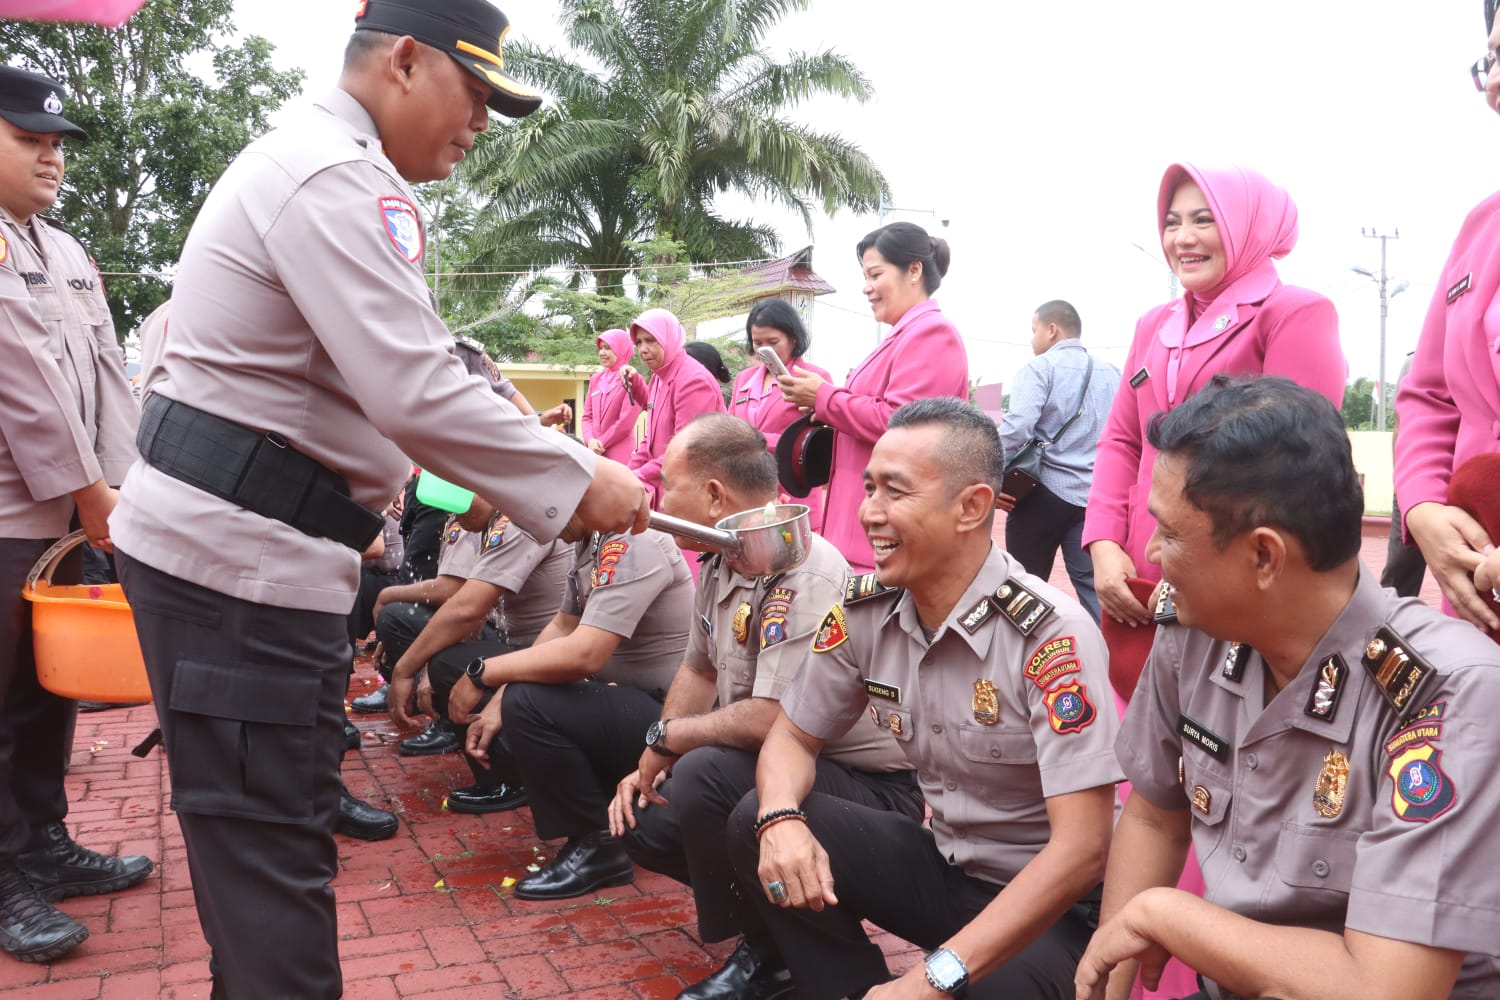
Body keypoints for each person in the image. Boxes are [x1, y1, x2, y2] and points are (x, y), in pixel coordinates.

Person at [109, 4, 651, 996]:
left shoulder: (321, 164)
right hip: (241, 567)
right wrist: (577, 477)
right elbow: (416, 390)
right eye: (475, 92)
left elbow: (408, 371)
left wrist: (531, 463)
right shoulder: (338, 177)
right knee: (273, 879)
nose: (481, 123)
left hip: (248, 549)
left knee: (263, 861)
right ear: (405, 60)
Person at [1075, 374, 1500, 1000]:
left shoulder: (1448, 693)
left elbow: (1386, 990)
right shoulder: (1196, 630)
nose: (1152, 552)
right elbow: (1155, 815)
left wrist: (1164, 915)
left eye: (1171, 533)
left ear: (1264, 557)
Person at [727, 398, 1121, 999]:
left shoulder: (1050, 636)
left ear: (972, 507)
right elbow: (791, 736)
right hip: (950, 871)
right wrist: (780, 819)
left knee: (982, 990)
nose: (869, 513)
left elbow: (1083, 851)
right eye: (869, 488)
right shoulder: (866, 610)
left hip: (1052, 907)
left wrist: (930, 979)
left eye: (895, 492)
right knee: (755, 815)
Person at [607, 413, 923, 1000]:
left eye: (666, 485)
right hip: (780, 766)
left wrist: (668, 740)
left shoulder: (807, 570)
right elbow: (698, 669)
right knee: (647, 818)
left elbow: (776, 719)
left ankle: (777, 949)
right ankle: (780, 930)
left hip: (867, 784)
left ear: (713, 495)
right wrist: (656, 751)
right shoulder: (722, 560)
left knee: (707, 778)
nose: (658, 498)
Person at [0, 62, 152, 964]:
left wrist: (121, 491)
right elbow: (21, 379)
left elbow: (106, 377)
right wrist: (94, 493)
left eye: (57, 143)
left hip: (69, 509)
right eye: (29, 139)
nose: (51, 157)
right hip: (8, 513)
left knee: (44, 693)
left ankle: (42, 844)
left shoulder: (64, 250)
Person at [1084, 162, 1345, 631]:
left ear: (1249, 227)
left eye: (1204, 220)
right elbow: (1122, 439)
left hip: (1235, 581)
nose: (1183, 238)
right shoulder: (1152, 325)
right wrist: (1103, 545)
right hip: (1138, 572)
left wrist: (1197, 569)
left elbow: (1293, 467)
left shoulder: (1293, 313)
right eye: (1172, 222)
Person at [448, 522, 693, 900]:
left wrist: (483, 674)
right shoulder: (591, 541)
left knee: (528, 703)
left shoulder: (634, 542)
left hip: (668, 722)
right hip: (633, 705)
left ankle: (598, 846)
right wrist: (498, 699)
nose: (539, 521)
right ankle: (587, 810)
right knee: (514, 701)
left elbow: (584, 655)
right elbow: (563, 625)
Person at [776, 221, 969, 572]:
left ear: (914, 271)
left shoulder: (931, 332)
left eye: (875, 274)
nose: (867, 288)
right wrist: (824, 407)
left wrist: (825, 399)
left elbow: (903, 423)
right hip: (861, 524)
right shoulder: (903, 335)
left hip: (886, 532)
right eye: (865, 277)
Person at [1394, 2, 1500, 632]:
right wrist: (1424, 508)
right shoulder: (1481, 226)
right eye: (1492, 59)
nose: (1494, 82)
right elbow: (1429, 395)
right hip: (1478, 598)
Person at [385, 497, 570, 811]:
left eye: (459, 500)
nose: (452, 512)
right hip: (527, 647)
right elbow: (477, 612)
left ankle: (510, 776)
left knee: (450, 665)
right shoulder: (495, 519)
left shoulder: (518, 520)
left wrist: (405, 670)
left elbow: (466, 606)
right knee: (444, 658)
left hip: (545, 657)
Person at [998, 300, 1120, 622]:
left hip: (1042, 494)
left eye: (1034, 330)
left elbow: (1017, 428)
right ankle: (1107, 651)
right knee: (1096, 593)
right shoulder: (1112, 374)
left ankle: (1027, 652)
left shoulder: (1039, 368)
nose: (1032, 339)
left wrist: (988, 470)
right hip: (1093, 500)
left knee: (1023, 589)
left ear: (1052, 330)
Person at [730, 298, 835, 528]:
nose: (764, 350)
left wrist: (754, 441)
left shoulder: (813, 378)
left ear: (793, 338)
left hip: (793, 491)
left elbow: (821, 445)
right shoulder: (743, 379)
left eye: (773, 342)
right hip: (748, 491)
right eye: (757, 343)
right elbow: (729, 429)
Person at [629, 307, 727, 506]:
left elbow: (688, 450)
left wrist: (639, 476)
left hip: (694, 496)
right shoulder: (658, 378)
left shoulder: (693, 380)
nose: (643, 349)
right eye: (638, 342)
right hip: (665, 486)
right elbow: (650, 439)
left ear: (669, 338)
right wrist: (626, 474)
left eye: (650, 340)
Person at [1381, 352, 1426, 598]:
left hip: (1466, 475)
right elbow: (1401, 424)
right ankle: (1385, 623)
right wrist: (1400, 478)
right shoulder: (1415, 361)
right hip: (1416, 481)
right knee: (1400, 568)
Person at [583, 328, 644, 463]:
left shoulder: (631, 378)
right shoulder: (595, 379)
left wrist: (599, 444)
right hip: (594, 455)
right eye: (600, 348)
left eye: (607, 348)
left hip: (619, 456)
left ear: (621, 349)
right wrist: (590, 440)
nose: (602, 353)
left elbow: (625, 424)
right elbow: (587, 417)